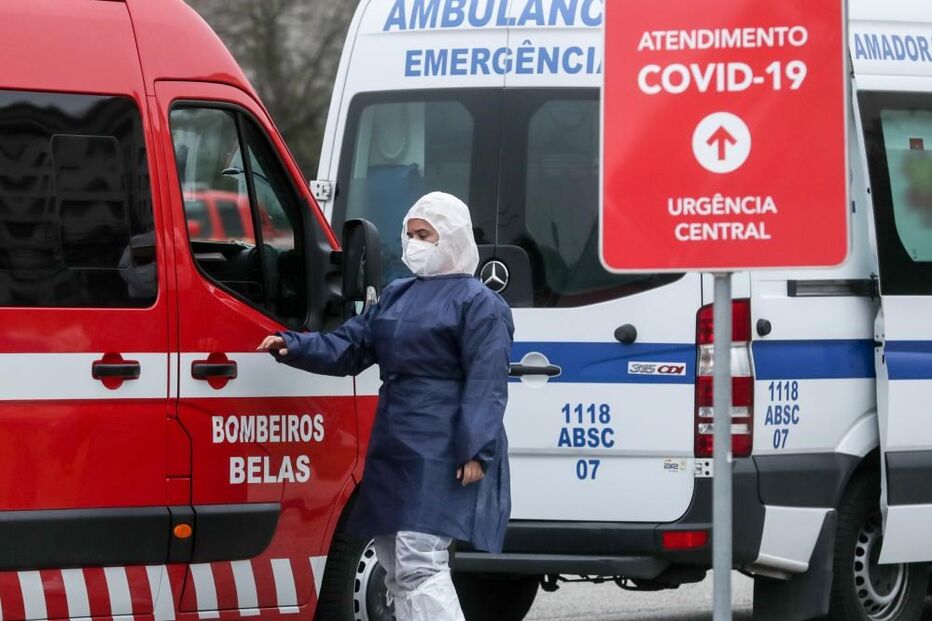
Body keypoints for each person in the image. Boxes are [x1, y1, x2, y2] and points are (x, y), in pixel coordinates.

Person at [257, 192, 514, 620]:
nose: (414, 243)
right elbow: (351, 344)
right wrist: (294, 345)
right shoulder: (398, 295)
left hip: (442, 448)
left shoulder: (481, 304)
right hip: (395, 443)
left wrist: (476, 449)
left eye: (425, 235)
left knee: (420, 562)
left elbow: (486, 383)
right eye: (410, 234)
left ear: (451, 237)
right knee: (393, 560)